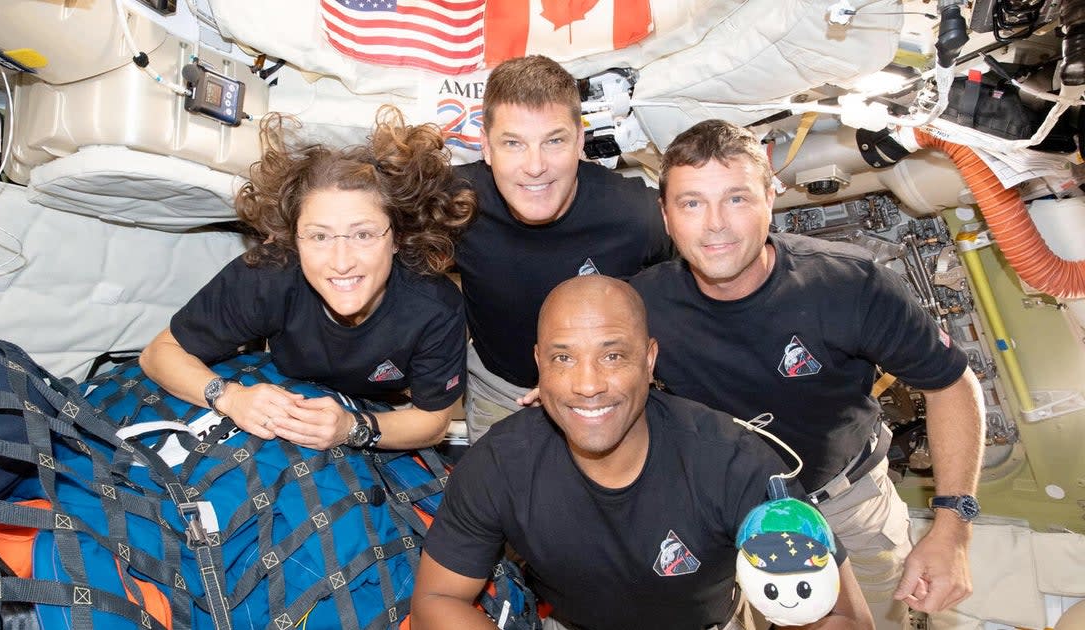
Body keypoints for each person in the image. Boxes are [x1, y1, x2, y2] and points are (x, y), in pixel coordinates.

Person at [629, 119, 986, 626]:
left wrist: (953, 528)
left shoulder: (850, 285)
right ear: (665, 216)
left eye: (736, 198)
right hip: (722, 514)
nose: (715, 224)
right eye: (691, 203)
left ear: (770, 199)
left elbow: (950, 383)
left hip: (848, 504)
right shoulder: (639, 306)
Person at [411, 275, 872, 630]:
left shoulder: (735, 463)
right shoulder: (498, 464)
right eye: (563, 358)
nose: (587, 385)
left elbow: (844, 618)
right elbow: (437, 600)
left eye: (613, 356)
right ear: (539, 365)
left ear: (649, 361)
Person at [139, 106, 475, 451]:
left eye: (363, 235)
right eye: (319, 237)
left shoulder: (435, 306)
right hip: (281, 392)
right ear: (293, 240)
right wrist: (229, 397)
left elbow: (433, 422)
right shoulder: (268, 274)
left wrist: (352, 428)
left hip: (381, 412)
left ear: (398, 238)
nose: (341, 262)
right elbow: (159, 354)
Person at [453, 54, 674, 442]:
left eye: (553, 141)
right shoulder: (453, 204)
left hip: (603, 390)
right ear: (486, 148)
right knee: (498, 499)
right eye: (513, 143)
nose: (535, 166)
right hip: (502, 390)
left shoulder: (635, 214)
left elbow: (694, 288)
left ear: (580, 141)